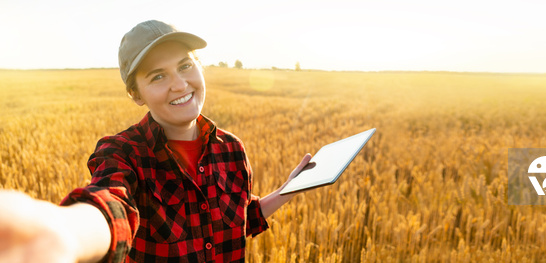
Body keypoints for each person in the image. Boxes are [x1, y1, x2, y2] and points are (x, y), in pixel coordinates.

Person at [0, 20, 312, 262]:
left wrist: (288, 190)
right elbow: (112, 205)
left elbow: (236, 223)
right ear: (136, 94)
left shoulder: (232, 149)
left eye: (185, 65)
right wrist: (65, 233)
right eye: (158, 76)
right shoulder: (122, 153)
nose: (180, 84)